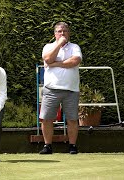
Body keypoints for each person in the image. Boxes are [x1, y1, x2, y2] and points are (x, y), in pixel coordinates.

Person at [39, 22, 82, 154]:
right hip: (51, 89)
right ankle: (47, 146)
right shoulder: (48, 46)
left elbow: (75, 61)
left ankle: (72, 146)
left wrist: (55, 63)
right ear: (55, 34)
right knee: (46, 119)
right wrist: (58, 44)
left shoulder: (75, 47)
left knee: (72, 119)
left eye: (65, 31)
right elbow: (47, 59)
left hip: (71, 89)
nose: (62, 33)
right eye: (59, 31)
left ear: (69, 33)